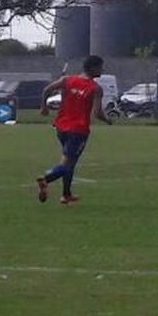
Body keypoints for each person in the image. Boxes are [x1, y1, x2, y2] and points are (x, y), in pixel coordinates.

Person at [36, 56, 113, 205]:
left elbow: (47, 89)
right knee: (67, 164)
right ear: (93, 68)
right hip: (78, 130)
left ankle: (66, 194)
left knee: (69, 161)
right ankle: (46, 179)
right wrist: (108, 120)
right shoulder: (95, 88)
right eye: (100, 67)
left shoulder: (67, 80)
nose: (102, 70)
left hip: (61, 127)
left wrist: (43, 107)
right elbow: (97, 113)